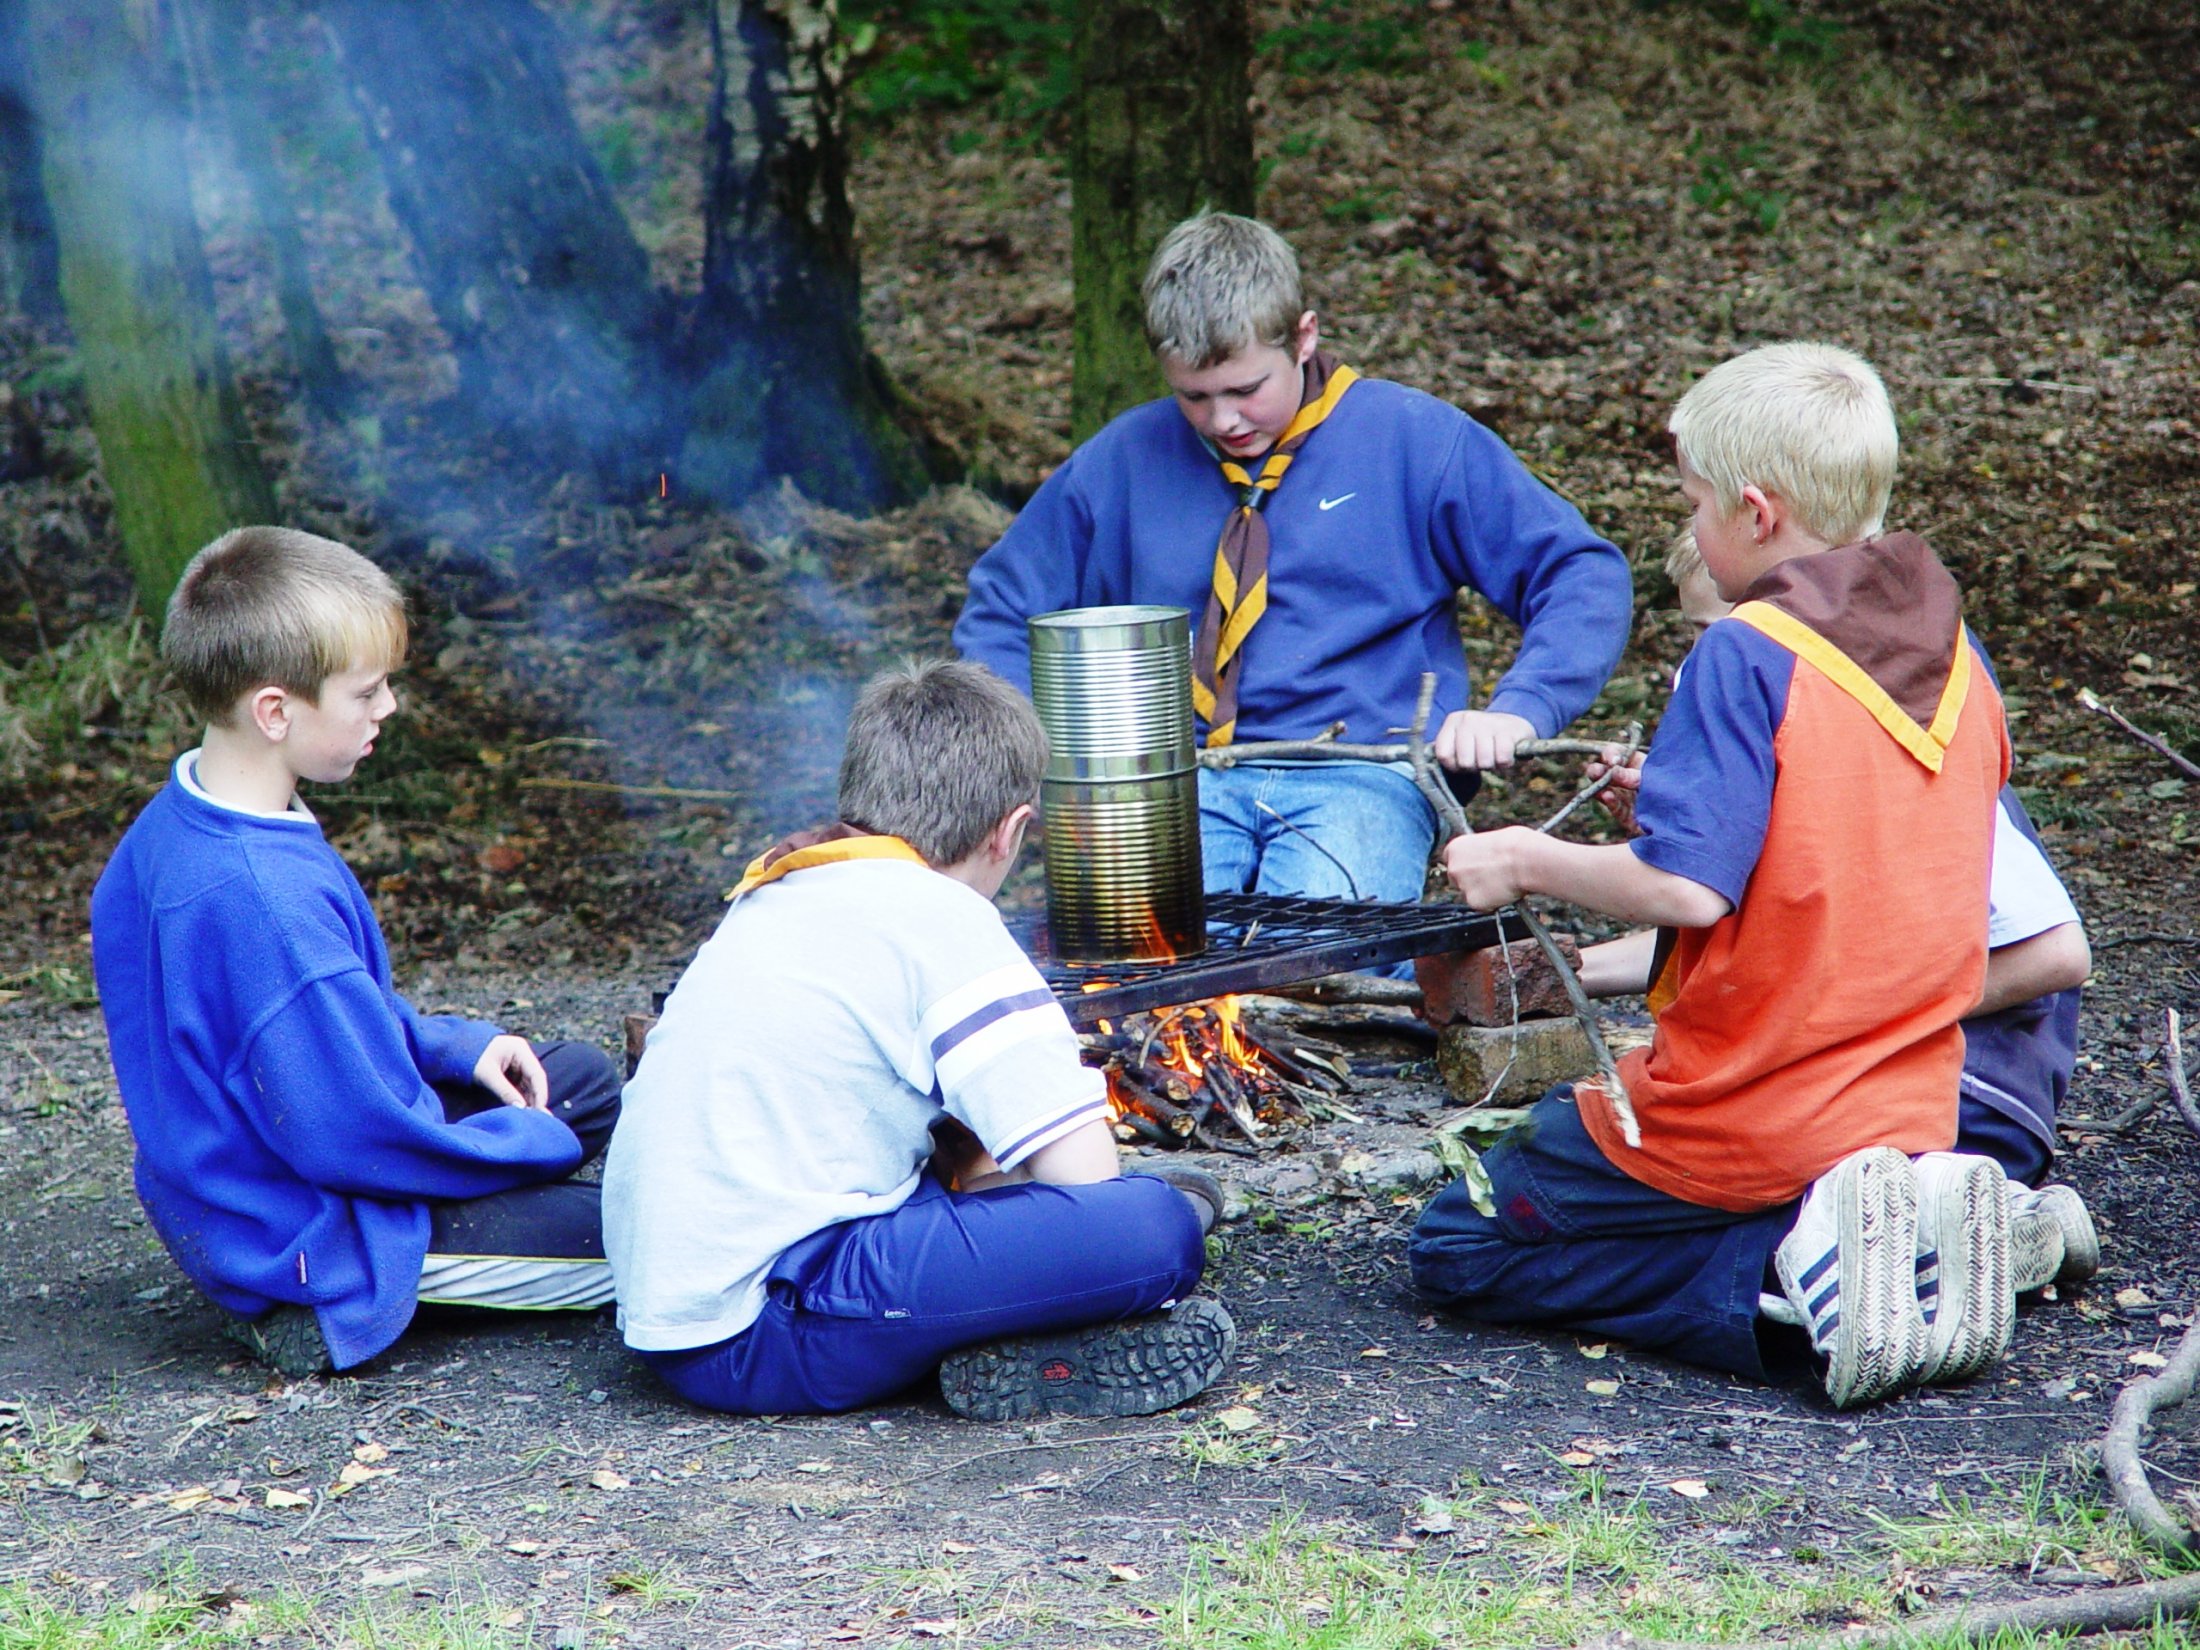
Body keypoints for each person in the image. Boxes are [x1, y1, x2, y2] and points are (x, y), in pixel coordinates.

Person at [1409, 343, 2019, 1409]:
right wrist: (1676, 803)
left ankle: (1784, 1273)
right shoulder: (1954, 654)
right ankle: (1914, 1242)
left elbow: (1690, 894)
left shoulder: (1744, 650)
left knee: (1460, 1238)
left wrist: (1518, 857)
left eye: (1690, 504)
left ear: (1753, 512)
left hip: (1753, 1108)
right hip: (1910, 1105)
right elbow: (1851, 836)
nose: (1685, 529)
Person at [602, 659, 1233, 1421]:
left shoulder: (785, 885)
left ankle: (1001, 1325)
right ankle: (1047, 1342)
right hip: (760, 1328)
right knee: (1150, 1226)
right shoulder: (944, 918)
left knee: (994, 1185)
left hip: (675, 1308)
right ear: (1011, 830)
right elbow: (1086, 1177)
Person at [953, 211, 1632, 906]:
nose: (1223, 420)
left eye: (1247, 390)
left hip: (1365, 770)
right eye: (1195, 396)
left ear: (1304, 336)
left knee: (1326, 939)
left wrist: (1523, 709)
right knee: (1155, 961)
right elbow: (1003, 607)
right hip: (1175, 776)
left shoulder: (1412, 439)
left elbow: (1579, 572)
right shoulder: (1123, 460)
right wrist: (1030, 749)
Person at [91, 528, 623, 1378]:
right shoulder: (266, 901)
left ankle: (504, 1167)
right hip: (308, 1221)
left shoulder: (194, 810)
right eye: (367, 691)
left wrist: (462, 1050)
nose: (389, 709)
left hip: (248, 1159)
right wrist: (527, 1146)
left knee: (581, 1080)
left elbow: (321, 1023)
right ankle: (308, 1307)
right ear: (276, 711)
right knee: (638, 1236)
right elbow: (352, 1134)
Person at [1560, 530, 2097, 1291]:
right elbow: (1787, 936)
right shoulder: (1793, 713)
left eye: (1714, 638)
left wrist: (1841, 1017)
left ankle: (1956, 1238)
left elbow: (2058, 953)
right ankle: (1948, 1248)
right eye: (1692, 642)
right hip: (1867, 1089)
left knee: (1678, 1200)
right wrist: (1580, 967)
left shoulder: (1899, 744)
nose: (1695, 673)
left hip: (1960, 1091)